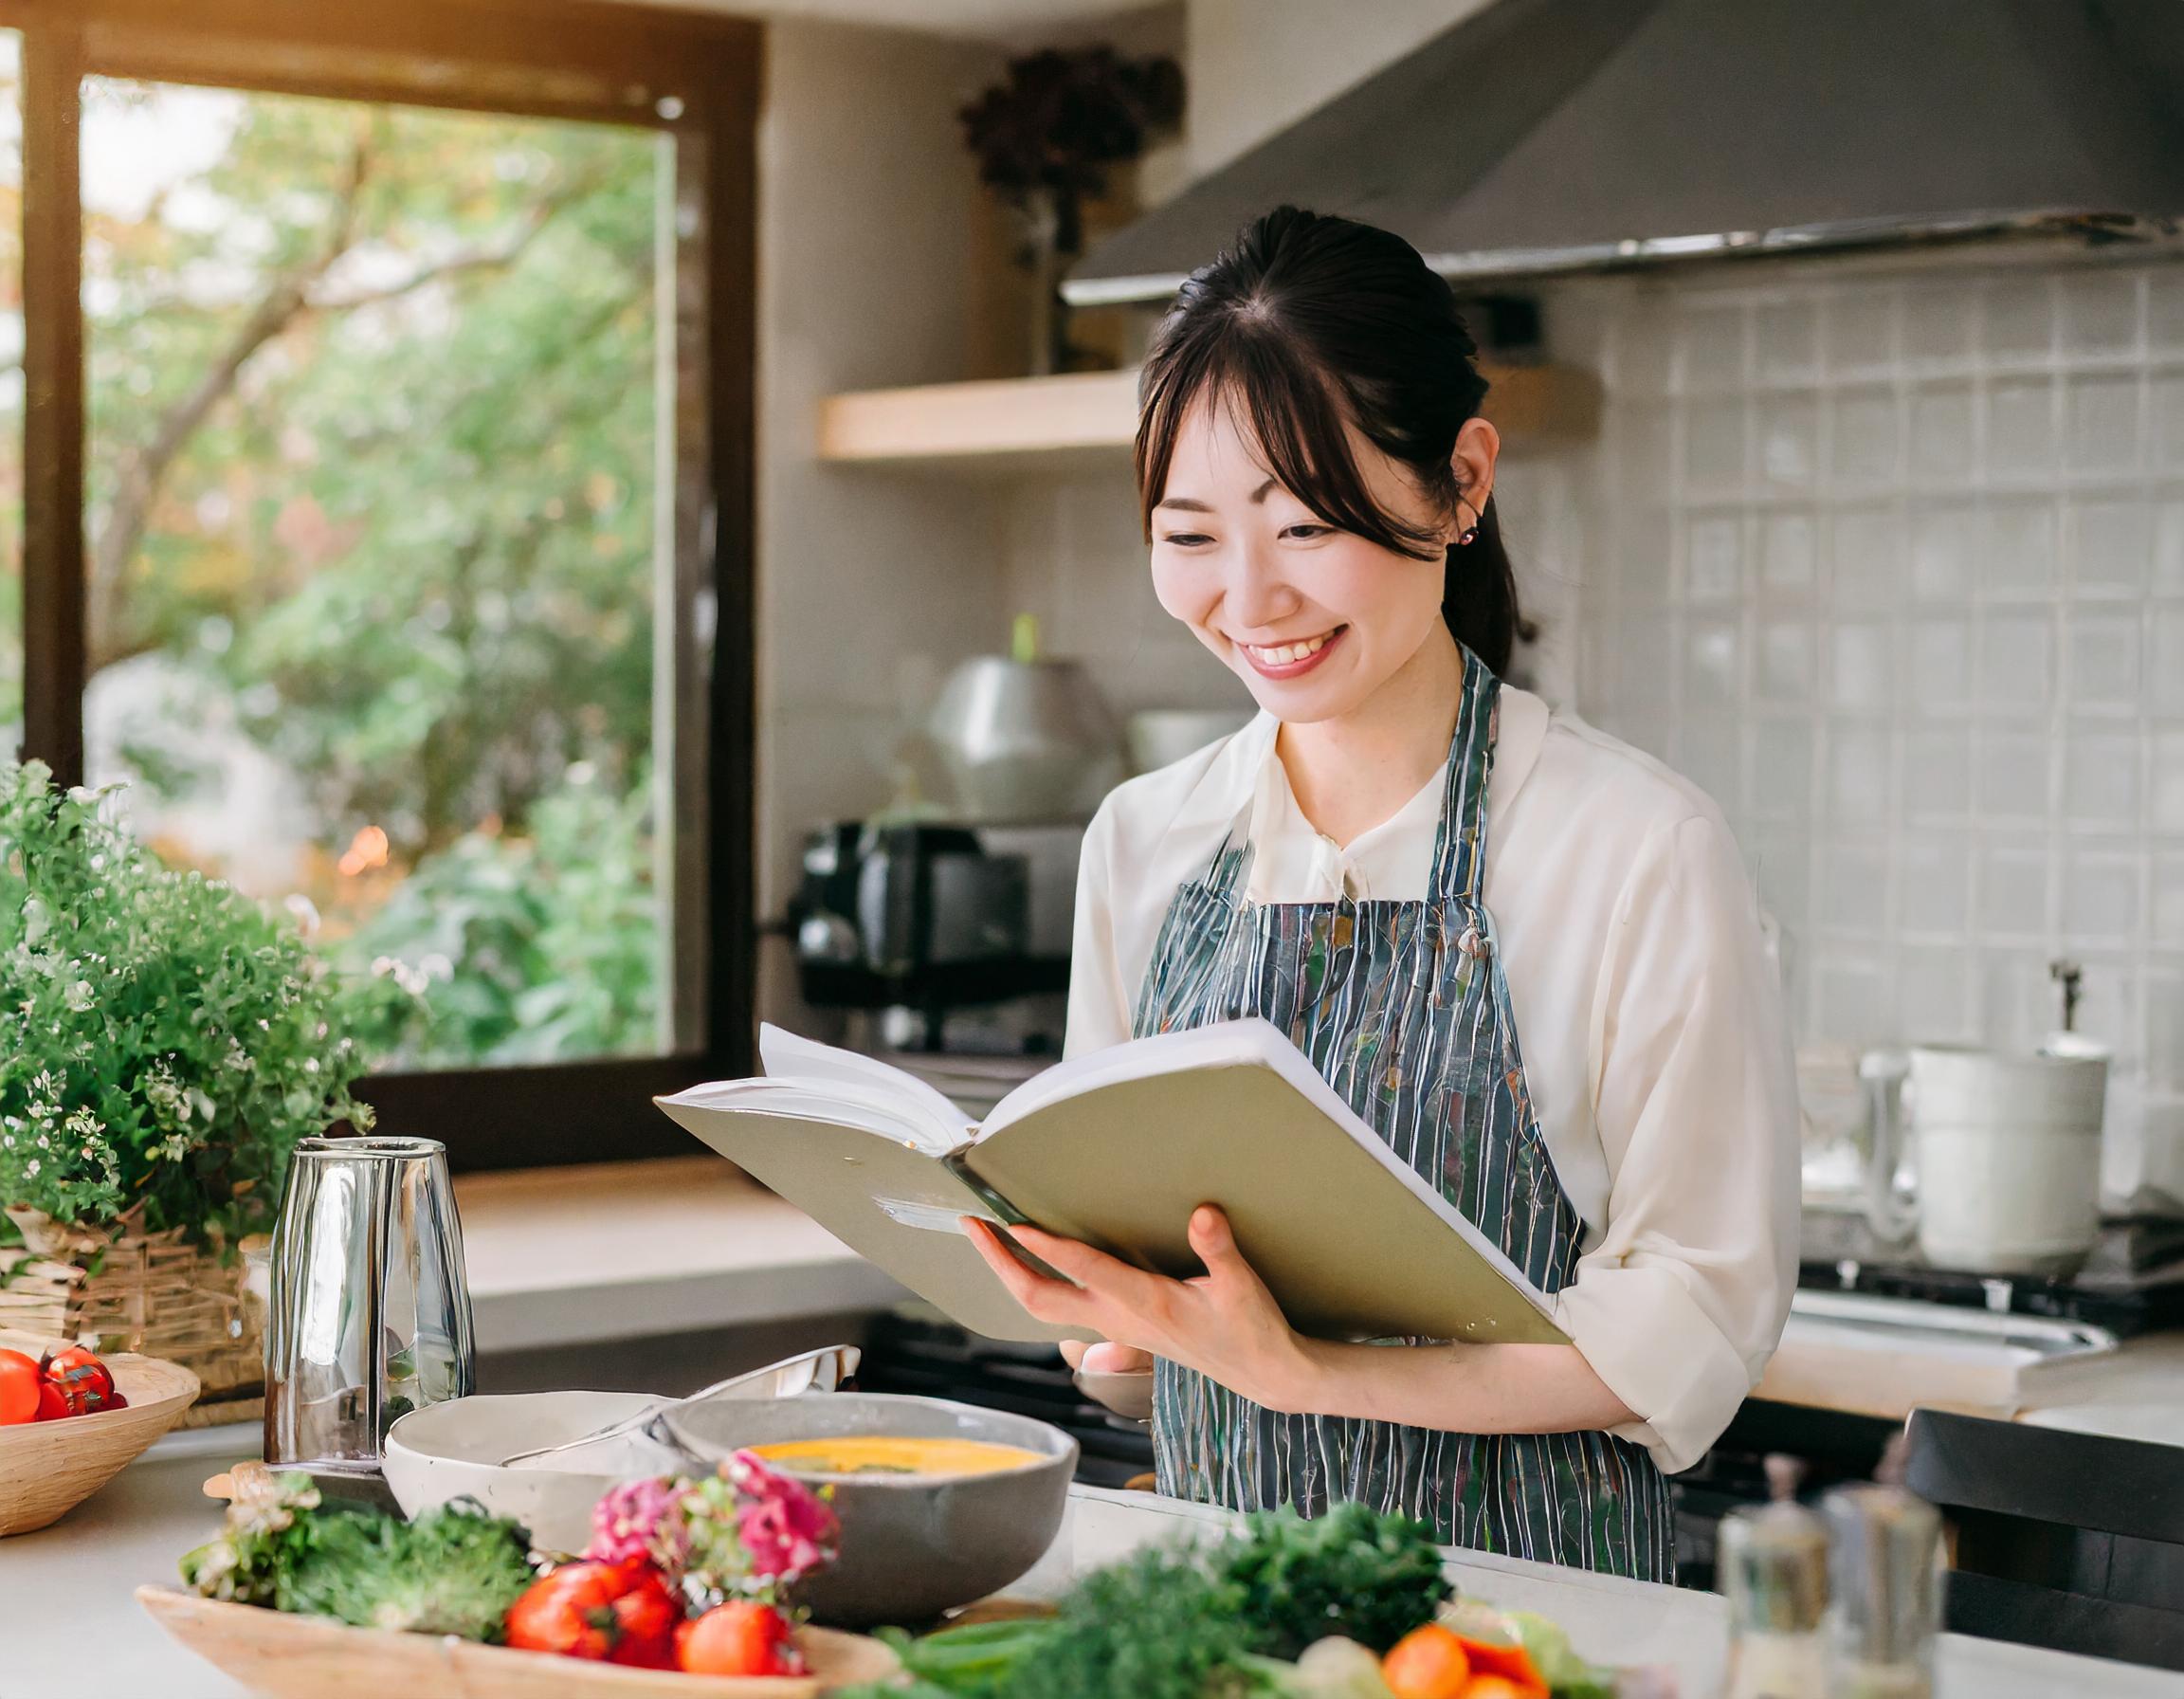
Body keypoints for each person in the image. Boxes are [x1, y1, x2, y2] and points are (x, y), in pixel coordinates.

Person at [963, 206, 1797, 1581]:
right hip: (1221, 1612)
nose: (1249, 598)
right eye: (1190, 536)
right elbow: (1126, 1359)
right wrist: (1107, 1320)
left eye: (1304, 524)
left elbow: (1690, 1326)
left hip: (1528, 1629)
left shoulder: (1636, 848)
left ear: (1462, 480)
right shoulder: (1147, 841)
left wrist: (1304, 1373)